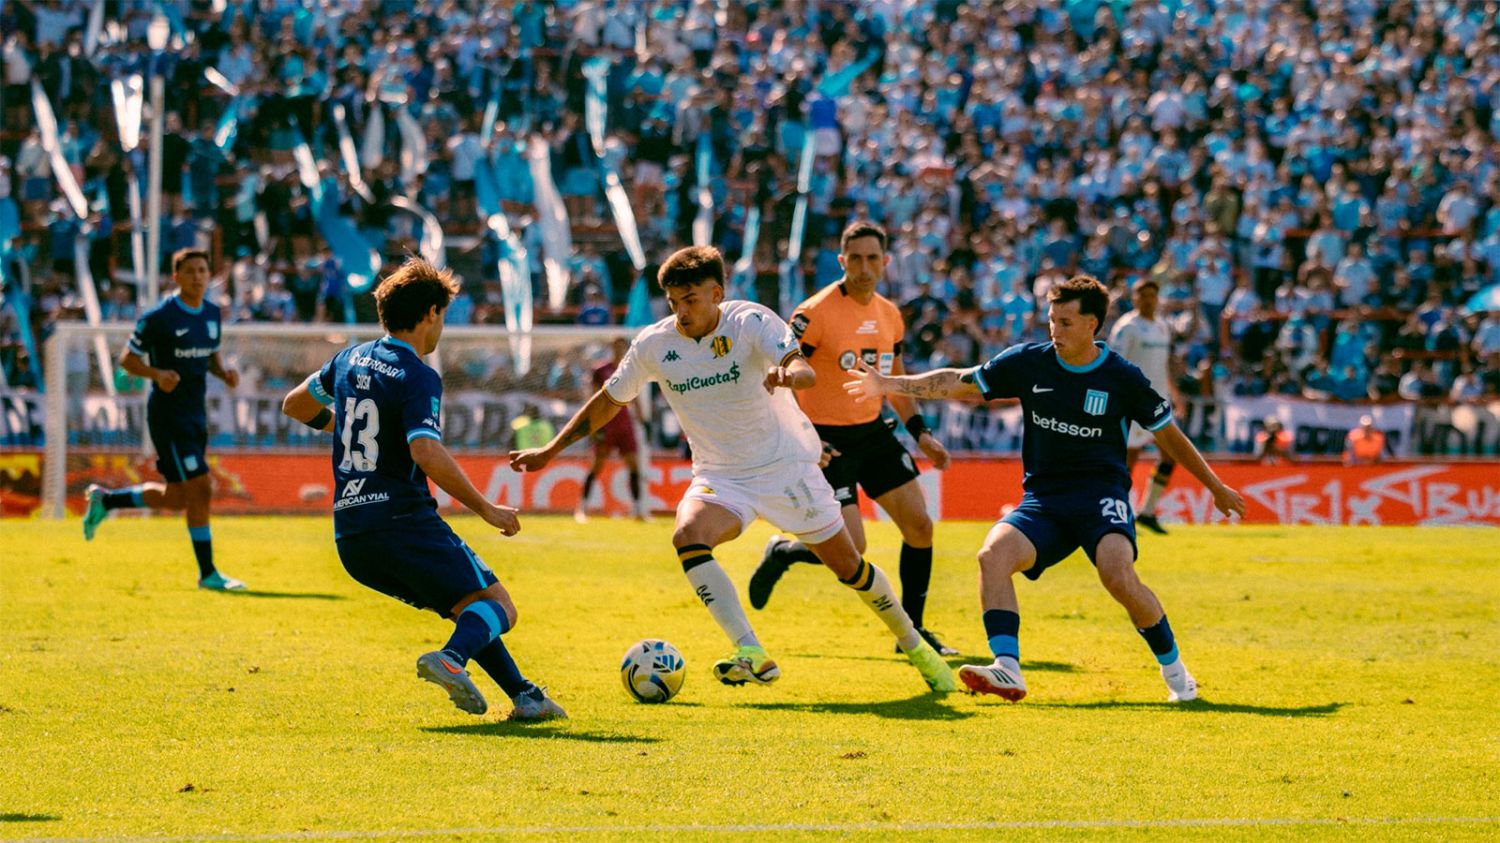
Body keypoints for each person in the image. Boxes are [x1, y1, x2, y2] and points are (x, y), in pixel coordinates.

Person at [510, 246, 954, 692]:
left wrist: (790, 375)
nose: (682, 312)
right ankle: (751, 651)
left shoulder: (751, 321)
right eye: (674, 302)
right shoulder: (653, 344)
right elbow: (609, 400)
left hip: (786, 470)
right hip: (721, 477)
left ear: (716, 294)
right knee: (688, 536)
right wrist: (551, 449)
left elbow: (802, 369)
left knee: (850, 568)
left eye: (691, 300)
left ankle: (914, 644)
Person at [846, 275, 1246, 703]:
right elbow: (960, 381)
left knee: (1118, 576)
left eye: (1066, 322)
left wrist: (1216, 486)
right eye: (1052, 320)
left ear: (1093, 325)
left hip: (1101, 498)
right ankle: (1008, 668)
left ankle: (1176, 673)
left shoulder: (1122, 377)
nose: (1055, 330)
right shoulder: (1029, 362)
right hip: (1044, 502)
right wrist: (889, 384)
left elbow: (1169, 435)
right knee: (992, 556)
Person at [280, 258, 564, 721]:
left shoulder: (347, 360)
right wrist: (486, 509)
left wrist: (344, 427)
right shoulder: (417, 375)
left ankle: (525, 696)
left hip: (352, 537)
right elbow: (426, 452)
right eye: (444, 316)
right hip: (402, 523)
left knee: (467, 608)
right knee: (499, 607)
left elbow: (295, 404)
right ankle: (451, 660)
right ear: (431, 312)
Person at [748, 221, 956, 655]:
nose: (864, 267)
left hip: (873, 432)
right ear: (842, 261)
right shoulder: (815, 312)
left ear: (885, 262)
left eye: (872, 258)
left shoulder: (890, 314)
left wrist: (921, 434)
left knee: (920, 525)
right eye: (855, 259)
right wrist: (803, 437)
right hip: (826, 441)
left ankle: (914, 632)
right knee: (852, 549)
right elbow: (780, 376)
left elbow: (894, 380)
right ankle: (784, 552)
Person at [82, 249, 247, 591]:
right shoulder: (159, 317)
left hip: (196, 414)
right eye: (190, 271)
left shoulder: (212, 314)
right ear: (176, 277)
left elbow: (210, 356)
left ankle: (107, 500)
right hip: (169, 417)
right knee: (201, 488)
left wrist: (224, 373)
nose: (198, 276)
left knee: (176, 498)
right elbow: (127, 360)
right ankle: (208, 574)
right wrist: (157, 374)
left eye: (202, 270)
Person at [1109, 278, 1178, 534]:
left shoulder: (1162, 326)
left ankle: (1147, 511)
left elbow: (1163, 364)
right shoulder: (1127, 327)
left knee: (1171, 456)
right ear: (1134, 298)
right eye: (1143, 295)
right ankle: (1119, 514)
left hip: (1159, 404)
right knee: (1129, 461)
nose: (1148, 300)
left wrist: (1175, 393)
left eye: (1152, 295)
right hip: (1133, 404)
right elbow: (1115, 364)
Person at [575, 337, 649, 522]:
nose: (619, 350)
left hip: (624, 423)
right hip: (605, 423)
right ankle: (582, 508)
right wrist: (592, 423)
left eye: (622, 347)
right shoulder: (600, 370)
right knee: (597, 464)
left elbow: (635, 397)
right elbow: (592, 397)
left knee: (634, 465)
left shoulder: (630, 369)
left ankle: (638, 510)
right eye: (616, 347)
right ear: (611, 348)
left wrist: (642, 420)